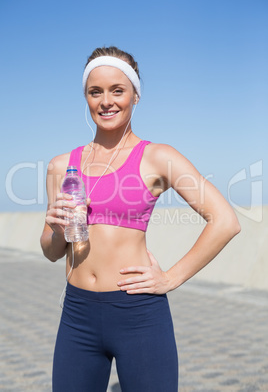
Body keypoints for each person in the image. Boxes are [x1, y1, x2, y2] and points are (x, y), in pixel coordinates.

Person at [40, 46, 241, 392]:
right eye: (95, 92)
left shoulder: (157, 157)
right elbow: (51, 250)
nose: (106, 101)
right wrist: (57, 230)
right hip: (77, 316)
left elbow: (225, 220)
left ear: (135, 95)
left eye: (117, 90)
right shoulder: (62, 165)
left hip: (138, 314)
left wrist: (171, 278)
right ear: (86, 98)